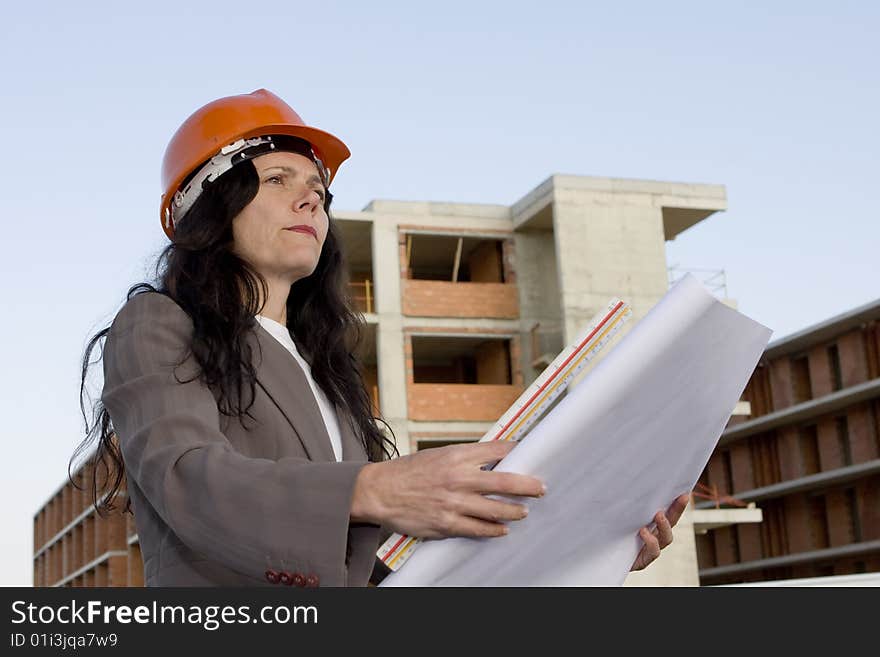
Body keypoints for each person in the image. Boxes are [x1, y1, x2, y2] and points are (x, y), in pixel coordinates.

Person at [74, 88, 687, 587]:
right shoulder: (158, 323)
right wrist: (375, 488)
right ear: (207, 204)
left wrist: (584, 547)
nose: (311, 197)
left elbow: (380, 567)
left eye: (318, 188)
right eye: (278, 178)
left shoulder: (325, 369)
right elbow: (187, 481)